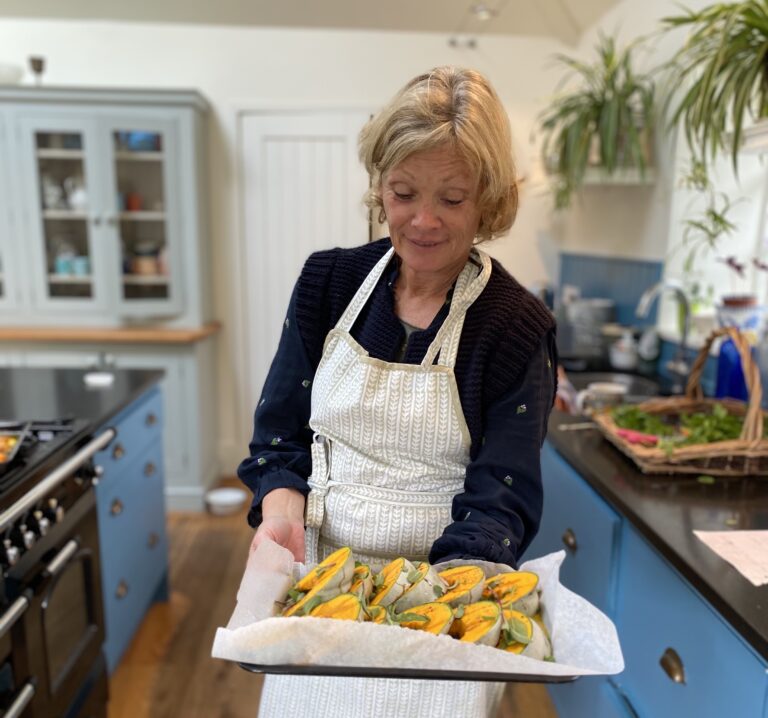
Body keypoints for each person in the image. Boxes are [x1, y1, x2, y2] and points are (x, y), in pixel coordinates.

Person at [237, 65, 557, 717]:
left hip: (444, 602)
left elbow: (504, 496)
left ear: (489, 198)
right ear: (379, 183)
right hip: (321, 585)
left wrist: (426, 619)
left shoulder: (515, 327)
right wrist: (278, 509)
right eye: (404, 192)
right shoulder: (327, 284)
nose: (423, 221)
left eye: (452, 198)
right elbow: (279, 434)